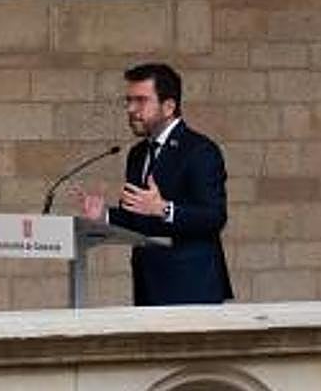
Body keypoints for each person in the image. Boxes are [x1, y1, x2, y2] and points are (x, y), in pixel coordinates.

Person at [79, 62, 233, 305]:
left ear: (169, 106)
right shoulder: (138, 154)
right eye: (129, 100)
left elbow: (214, 217)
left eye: (141, 101)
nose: (131, 109)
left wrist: (164, 209)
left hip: (191, 285)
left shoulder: (200, 150)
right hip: (148, 282)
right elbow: (139, 218)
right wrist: (104, 215)